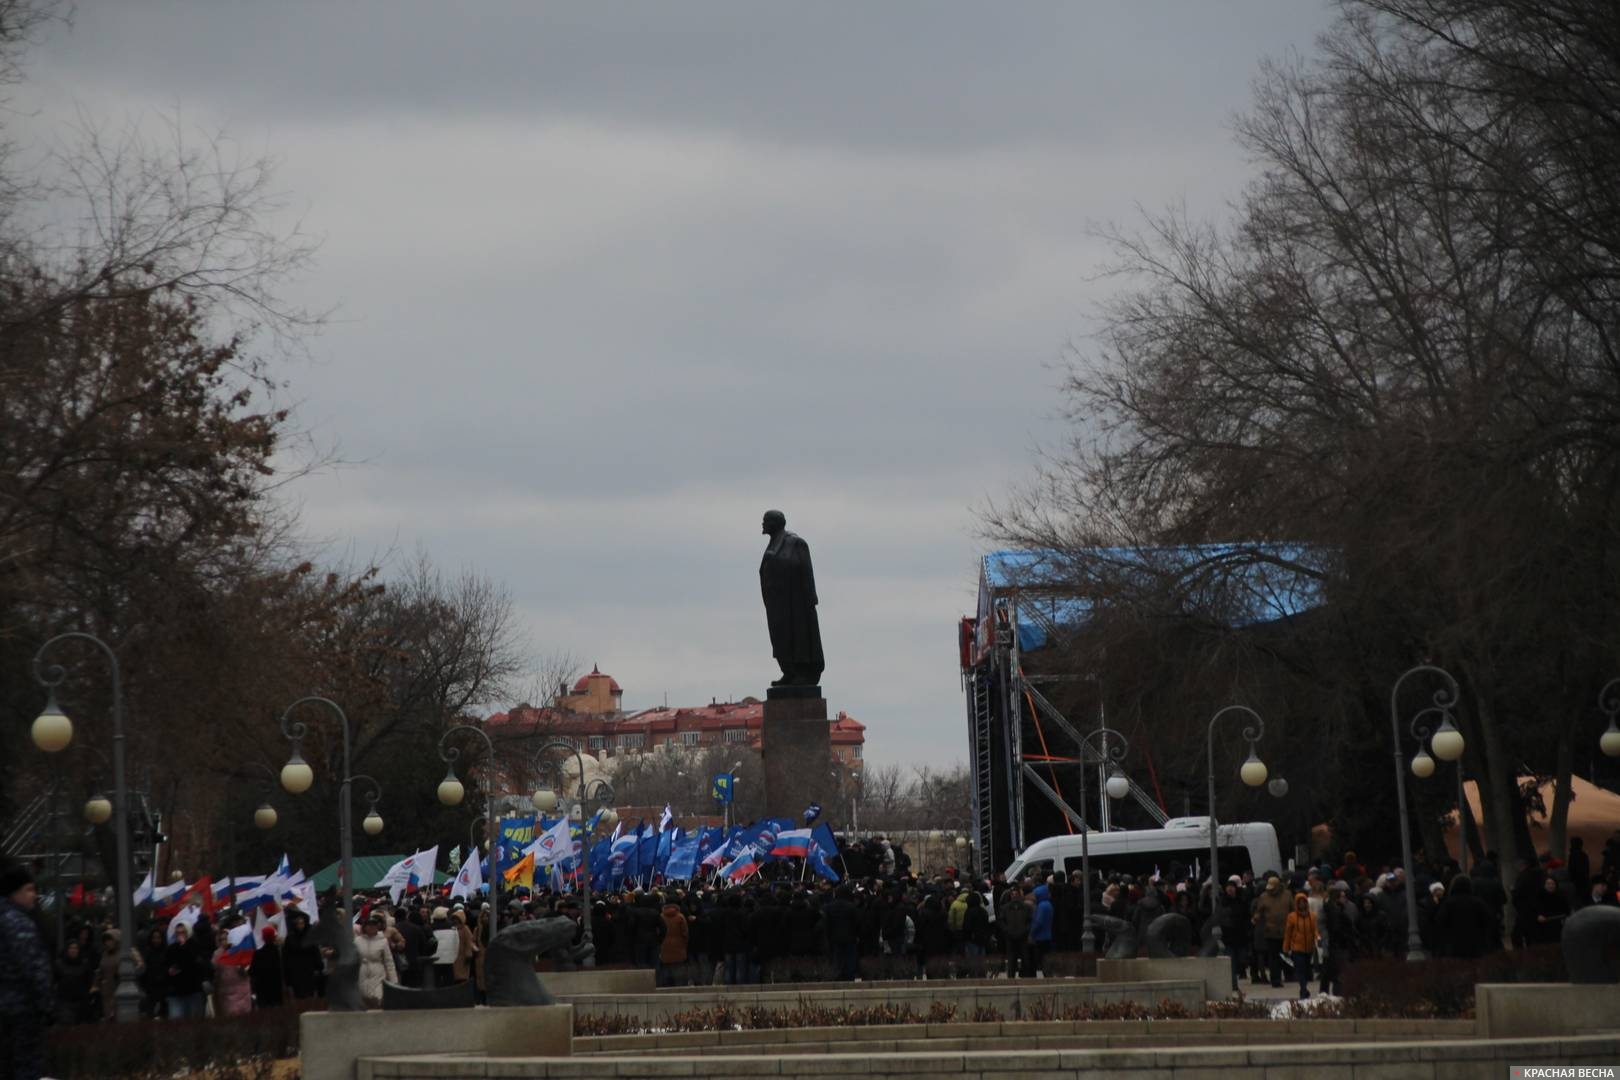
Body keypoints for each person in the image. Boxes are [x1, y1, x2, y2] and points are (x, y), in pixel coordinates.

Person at [1, 862, 52, 1080]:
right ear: (15, 892)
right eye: (29, 890)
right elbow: (33, 967)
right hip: (21, 1009)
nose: (35, 895)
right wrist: (47, 1005)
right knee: (27, 1067)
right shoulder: (18, 922)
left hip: (5, 1008)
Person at [1251, 874, 1291, 988]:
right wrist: (1255, 918)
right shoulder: (1264, 897)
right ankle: (1275, 979)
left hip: (1285, 930)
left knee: (1285, 955)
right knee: (1273, 956)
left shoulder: (1287, 895)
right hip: (1270, 931)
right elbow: (1259, 911)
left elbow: (1292, 909)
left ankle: (1289, 974)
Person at [355, 912, 398, 1009]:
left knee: (377, 997)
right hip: (361, 972)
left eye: (374, 925)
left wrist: (393, 980)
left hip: (378, 972)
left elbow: (389, 962)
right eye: (369, 925)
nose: (371, 928)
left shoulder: (383, 941)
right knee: (362, 998)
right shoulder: (357, 941)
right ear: (365, 927)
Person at [163, 924, 207, 1019]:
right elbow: (166, 964)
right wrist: (169, 970)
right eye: (178, 933)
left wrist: (185, 947)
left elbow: (198, 964)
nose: (180, 935)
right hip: (176, 990)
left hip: (193, 989)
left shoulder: (196, 946)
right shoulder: (172, 948)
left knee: (194, 1020)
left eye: (183, 932)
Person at [1282, 892, 1318, 1000]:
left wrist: (1318, 937)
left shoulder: (1312, 916)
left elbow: (1315, 930)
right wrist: (1286, 947)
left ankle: (1304, 988)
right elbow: (1288, 933)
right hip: (1297, 948)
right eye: (1300, 903)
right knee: (1300, 970)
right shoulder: (1291, 917)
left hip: (1309, 947)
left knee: (1306, 970)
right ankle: (1303, 989)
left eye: (1303, 902)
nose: (1302, 904)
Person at [281, 909, 323, 999]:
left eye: (302, 923)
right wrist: (287, 976)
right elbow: (286, 958)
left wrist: (319, 967)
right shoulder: (290, 938)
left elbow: (315, 952)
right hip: (296, 972)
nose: (300, 926)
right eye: (298, 923)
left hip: (309, 971)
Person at [211, 928, 253, 1017]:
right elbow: (214, 969)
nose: (223, 942)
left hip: (241, 991)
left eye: (225, 939)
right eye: (221, 939)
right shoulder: (217, 954)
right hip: (225, 992)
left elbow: (247, 969)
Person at [54, 939, 95, 1024]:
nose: (73, 950)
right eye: (71, 948)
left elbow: (89, 980)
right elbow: (55, 980)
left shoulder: (84, 964)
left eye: (75, 948)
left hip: (81, 1002)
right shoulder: (59, 964)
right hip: (65, 1001)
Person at [656, 896, 689, 987]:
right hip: (679, 946)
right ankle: (679, 987)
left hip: (664, 945)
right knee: (678, 970)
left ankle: (666, 987)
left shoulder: (661, 916)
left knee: (666, 969)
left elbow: (658, 931)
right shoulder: (680, 917)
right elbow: (685, 933)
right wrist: (684, 945)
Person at [999, 885, 1031, 978]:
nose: (1014, 896)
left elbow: (1030, 921)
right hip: (1010, 937)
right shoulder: (1005, 908)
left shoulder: (1026, 907)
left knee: (1025, 959)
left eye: (1016, 894)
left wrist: (1025, 930)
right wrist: (1007, 931)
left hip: (1023, 937)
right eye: (1013, 894)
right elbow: (1001, 921)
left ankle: (1025, 977)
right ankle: (1011, 978)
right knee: (1011, 960)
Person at [1530, 874, 1571, 946]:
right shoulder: (1538, 896)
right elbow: (1533, 910)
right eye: (1548, 884)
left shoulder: (1561, 896)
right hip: (1543, 928)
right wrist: (1538, 916)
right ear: (1544, 885)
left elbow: (1567, 911)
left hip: (1558, 926)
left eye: (1552, 884)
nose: (1550, 886)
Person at [250, 926, 285, 1008]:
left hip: (262, 989)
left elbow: (253, 970)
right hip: (277, 988)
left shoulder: (258, 953)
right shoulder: (278, 951)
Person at [1028, 884, 1054, 977]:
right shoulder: (1048, 904)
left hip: (1040, 937)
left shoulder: (1042, 906)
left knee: (1040, 959)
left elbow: (1038, 922)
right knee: (1045, 959)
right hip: (1047, 936)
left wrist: (1031, 933)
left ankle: (1046, 976)